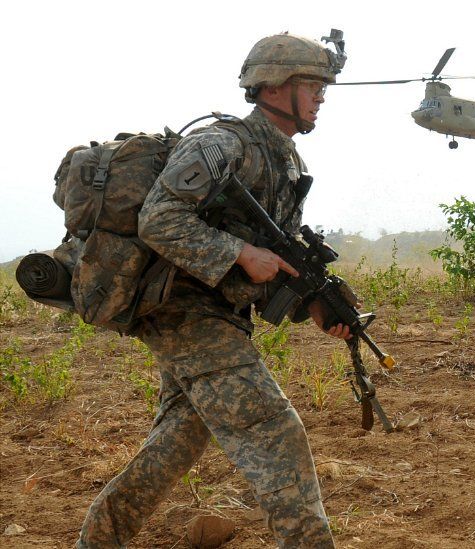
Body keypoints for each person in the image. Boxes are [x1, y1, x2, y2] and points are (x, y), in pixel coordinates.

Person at [77, 32, 349, 548]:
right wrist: (240, 255)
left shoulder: (287, 163)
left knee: (179, 439)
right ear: (273, 88)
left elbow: (273, 250)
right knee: (274, 431)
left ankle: (98, 542)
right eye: (312, 85)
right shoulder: (222, 145)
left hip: (217, 313)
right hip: (182, 309)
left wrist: (314, 298)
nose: (321, 97)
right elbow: (159, 218)